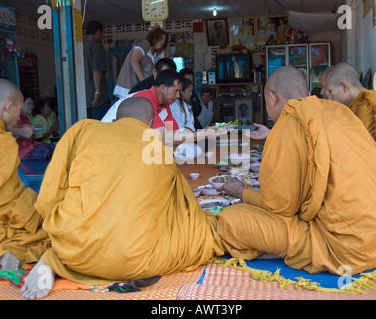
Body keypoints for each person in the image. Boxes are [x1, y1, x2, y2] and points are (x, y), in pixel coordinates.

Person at [20, 97, 224, 299]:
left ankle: (53, 260)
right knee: (197, 231)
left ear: (116, 119)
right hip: (140, 260)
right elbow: (181, 204)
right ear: (151, 123)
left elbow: (52, 190)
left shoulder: (85, 131)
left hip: (79, 252)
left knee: (71, 213)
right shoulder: (159, 149)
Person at [216, 66, 376, 276]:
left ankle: (288, 251)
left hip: (348, 250)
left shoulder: (289, 120)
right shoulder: (338, 110)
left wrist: (241, 192)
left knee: (231, 220)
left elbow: (281, 207)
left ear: (272, 97)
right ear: (306, 94)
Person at [0, 79, 50, 271]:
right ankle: (2, 252)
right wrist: (39, 214)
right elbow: (5, 201)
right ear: (7, 105)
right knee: (48, 233)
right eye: (18, 111)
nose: (19, 119)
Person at [324, 62, 376, 205]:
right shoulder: (353, 108)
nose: (330, 97)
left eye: (331, 91)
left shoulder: (372, 106)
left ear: (345, 86)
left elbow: (368, 152)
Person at [113, 27, 168, 99]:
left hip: (135, 89)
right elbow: (134, 60)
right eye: (161, 39)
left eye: (164, 40)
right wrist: (143, 82)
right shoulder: (145, 43)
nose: (163, 42)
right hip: (128, 86)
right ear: (155, 37)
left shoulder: (152, 56)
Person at [14, 95, 56, 161]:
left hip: (31, 145)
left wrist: (33, 131)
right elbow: (13, 137)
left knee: (56, 148)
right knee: (48, 152)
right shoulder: (16, 119)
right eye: (28, 104)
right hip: (22, 151)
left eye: (32, 104)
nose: (31, 106)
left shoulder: (27, 119)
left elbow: (32, 138)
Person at [84, 20, 111, 120]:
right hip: (98, 101)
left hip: (85, 100)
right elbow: (97, 70)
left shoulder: (80, 47)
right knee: (102, 129)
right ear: (99, 32)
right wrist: (98, 92)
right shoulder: (97, 47)